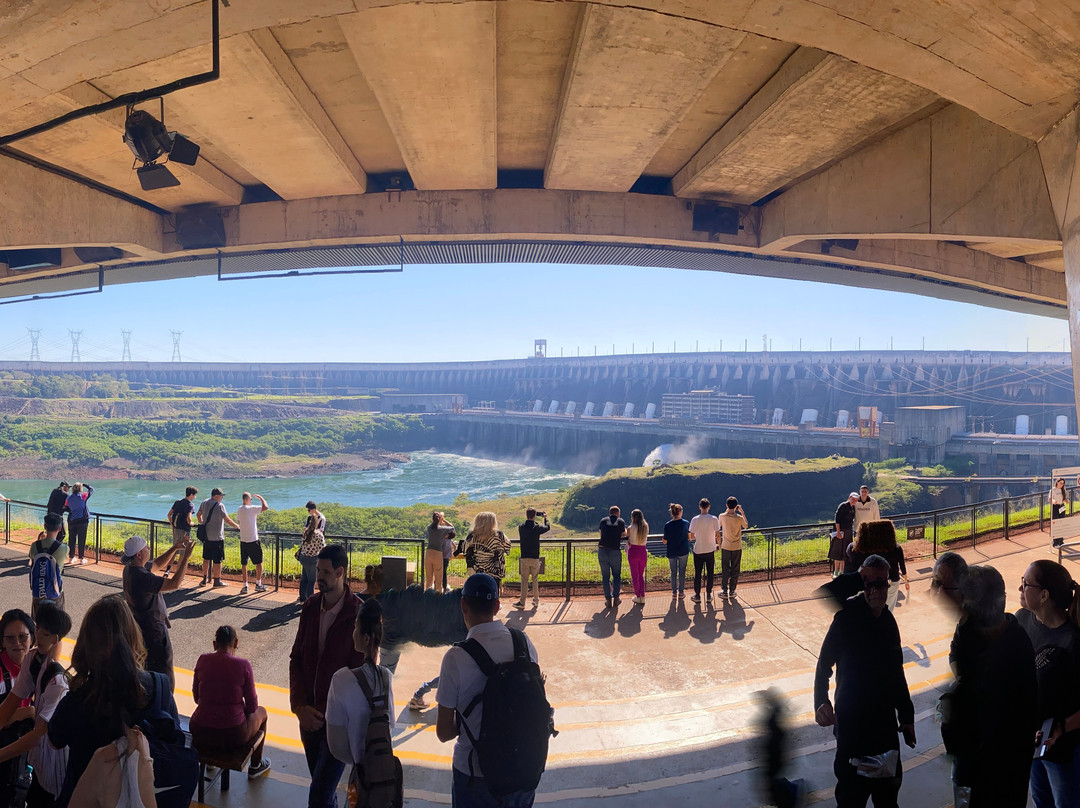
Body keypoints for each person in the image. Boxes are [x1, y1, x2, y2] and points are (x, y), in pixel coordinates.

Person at [48, 595, 181, 808]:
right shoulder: (160, 688)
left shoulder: (77, 699)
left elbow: (54, 741)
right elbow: (176, 742)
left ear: (87, 645)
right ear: (132, 637)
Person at [814, 554, 916, 808]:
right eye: (867, 583)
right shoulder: (846, 618)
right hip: (852, 729)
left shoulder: (889, 623)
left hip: (883, 729)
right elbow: (824, 663)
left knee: (887, 799)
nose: (874, 590)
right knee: (850, 799)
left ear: (888, 586)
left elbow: (897, 673)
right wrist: (821, 701)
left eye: (880, 584)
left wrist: (907, 717)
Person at [436, 573, 542, 808]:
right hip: (522, 769)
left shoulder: (455, 658)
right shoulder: (524, 644)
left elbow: (443, 732)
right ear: (496, 605)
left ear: (463, 605)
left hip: (475, 774)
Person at [940, 565, 1035, 808]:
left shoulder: (1010, 650)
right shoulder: (1003, 631)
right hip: (992, 766)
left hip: (991, 771)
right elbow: (955, 654)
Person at [289, 544, 365, 808]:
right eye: (318, 570)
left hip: (337, 724)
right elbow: (296, 658)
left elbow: (359, 676)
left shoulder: (358, 615)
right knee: (321, 787)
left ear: (340, 572)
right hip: (308, 721)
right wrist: (299, 707)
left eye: (324, 571)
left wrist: (319, 713)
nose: (318, 576)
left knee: (319, 794)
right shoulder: (310, 607)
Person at [1016, 559, 1080, 808]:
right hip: (1031, 745)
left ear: (1044, 595)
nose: (1020, 589)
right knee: (1041, 801)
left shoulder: (1072, 643)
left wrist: (1060, 730)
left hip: (1063, 751)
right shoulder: (1022, 620)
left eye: (1026, 584)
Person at [0, 602, 72, 808]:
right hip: (37, 762)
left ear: (55, 639)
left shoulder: (58, 683)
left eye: (45, 633)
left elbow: (39, 735)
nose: (38, 636)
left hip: (55, 766)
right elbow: (10, 703)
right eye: (38, 628)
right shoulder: (32, 659)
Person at [190, 625, 271, 780]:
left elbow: (196, 698)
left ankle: (210, 763)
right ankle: (256, 765)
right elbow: (253, 706)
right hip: (233, 734)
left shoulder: (203, 660)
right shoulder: (243, 665)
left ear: (214, 644)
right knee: (263, 713)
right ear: (235, 643)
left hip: (200, 731)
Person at [326, 599, 396, 768]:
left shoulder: (341, 680)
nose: (353, 632)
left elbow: (336, 747)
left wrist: (358, 759)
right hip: (384, 774)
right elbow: (391, 724)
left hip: (362, 773)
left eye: (356, 627)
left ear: (365, 638)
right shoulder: (386, 677)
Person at [121, 532, 194, 688]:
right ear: (139, 554)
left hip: (140, 627)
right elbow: (175, 583)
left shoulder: (130, 569)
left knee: (147, 668)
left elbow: (157, 564)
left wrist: (175, 548)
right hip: (153, 631)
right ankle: (165, 700)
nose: (149, 548)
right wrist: (185, 557)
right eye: (146, 547)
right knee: (163, 669)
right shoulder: (143, 577)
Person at [0, 610, 35, 800]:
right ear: (2, 642)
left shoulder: (38, 666)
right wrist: (27, 712)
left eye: (23, 637)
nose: (18, 644)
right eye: (10, 638)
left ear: (32, 637)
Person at [844, 520, 909, 611]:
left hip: (862, 584)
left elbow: (848, 568)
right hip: (890, 583)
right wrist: (906, 581)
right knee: (888, 611)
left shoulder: (853, 549)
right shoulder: (896, 548)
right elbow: (902, 567)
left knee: (863, 613)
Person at [197, 487, 240, 588]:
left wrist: (202, 523)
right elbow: (227, 519)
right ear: (216, 496)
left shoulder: (204, 502)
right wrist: (237, 526)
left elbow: (199, 514)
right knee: (217, 560)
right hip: (217, 538)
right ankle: (217, 581)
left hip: (206, 537)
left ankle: (204, 579)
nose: (222, 498)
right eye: (221, 496)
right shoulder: (220, 506)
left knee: (206, 559)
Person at [29, 513, 68, 618]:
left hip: (38, 590)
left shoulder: (34, 546)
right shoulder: (64, 548)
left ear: (45, 526)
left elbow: (32, 559)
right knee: (56, 622)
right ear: (60, 528)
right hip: (55, 591)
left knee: (37, 623)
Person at [464, 512, 512, 589]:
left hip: (477, 571)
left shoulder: (472, 536)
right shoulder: (499, 535)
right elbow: (508, 546)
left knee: (477, 593)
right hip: (495, 571)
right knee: (493, 594)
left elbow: (464, 549)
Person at [515, 508, 549, 610]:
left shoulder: (521, 527)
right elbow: (547, 527)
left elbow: (528, 522)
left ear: (526, 515)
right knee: (535, 579)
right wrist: (545, 518)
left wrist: (534, 515)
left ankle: (522, 602)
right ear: (534, 516)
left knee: (524, 580)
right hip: (535, 557)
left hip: (524, 557)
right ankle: (536, 600)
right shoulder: (537, 528)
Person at [237, 492, 270, 594]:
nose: (251, 501)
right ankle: (258, 584)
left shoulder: (239, 509)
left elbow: (239, 521)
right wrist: (261, 497)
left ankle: (245, 585)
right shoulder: (251, 509)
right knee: (259, 563)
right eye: (251, 499)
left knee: (244, 563)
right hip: (253, 540)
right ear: (248, 499)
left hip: (243, 540)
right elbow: (265, 507)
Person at [688, 498, 720, 604]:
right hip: (710, 549)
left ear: (700, 507)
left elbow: (691, 536)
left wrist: (697, 536)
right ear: (709, 507)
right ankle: (709, 595)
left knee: (698, 573)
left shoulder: (695, 519)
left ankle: (697, 595)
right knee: (710, 573)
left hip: (698, 550)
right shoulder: (714, 519)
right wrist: (719, 545)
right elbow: (718, 534)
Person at [718, 496, 748, 600]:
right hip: (737, 547)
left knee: (725, 568)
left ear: (726, 505)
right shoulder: (739, 518)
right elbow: (746, 525)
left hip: (726, 546)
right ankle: (732, 590)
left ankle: (724, 591)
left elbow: (719, 526)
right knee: (735, 569)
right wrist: (742, 512)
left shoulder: (722, 516)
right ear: (736, 506)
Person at [597, 505, 627, 610]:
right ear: (617, 513)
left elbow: (601, 534)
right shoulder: (620, 521)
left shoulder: (603, 520)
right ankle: (616, 599)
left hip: (602, 550)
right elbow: (623, 534)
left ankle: (608, 600)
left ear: (610, 513)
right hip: (615, 551)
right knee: (616, 575)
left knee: (605, 576)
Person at [165, 485, 198, 576]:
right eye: (194, 495)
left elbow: (169, 515)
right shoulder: (190, 505)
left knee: (174, 551)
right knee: (182, 553)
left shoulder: (177, 502)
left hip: (176, 530)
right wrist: (192, 523)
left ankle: (167, 570)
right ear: (191, 495)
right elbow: (189, 518)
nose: (195, 497)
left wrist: (173, 526)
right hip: (185, 532)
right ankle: (179, 574)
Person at [298, 501, 327, 602]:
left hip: (303, 556)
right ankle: (310, 600)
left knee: (304, 578)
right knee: (311, 580)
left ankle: (302, 598)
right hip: (313, 558)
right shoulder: (319, 535)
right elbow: (322, 546)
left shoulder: (305, 531)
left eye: (309, 510)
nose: (308, 512)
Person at [663, 503, 690, 599]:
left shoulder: (667, 525)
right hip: (683, 550)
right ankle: (681, 592)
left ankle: (674, 593)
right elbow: (690, 537)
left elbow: (664, 541)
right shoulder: (685, 523)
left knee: (673, 572)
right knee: (682, 572)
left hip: (671, 551)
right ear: (679, 512)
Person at [426, 512, 456, 593]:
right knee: (438, 577)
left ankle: (427, 595)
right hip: (438, 553)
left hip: (428, 552)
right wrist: (444, 520)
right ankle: (437, 596)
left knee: (428, 577)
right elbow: (452, 528)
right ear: (440, 519)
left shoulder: (429, 527)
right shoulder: (442, 529)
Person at [65, 482, 93, 565]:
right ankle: (81, 559)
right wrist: (85, 484)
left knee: (72, 539)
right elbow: (91, 489)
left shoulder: (69, 498)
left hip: (72, 521)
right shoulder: (83, 496)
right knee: (81, 539)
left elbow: (66, 507)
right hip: (82, 521)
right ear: (80, 489)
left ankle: (71, 557)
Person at [626, 509, 649, 605]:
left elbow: (628, 537)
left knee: (635, 575)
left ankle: (637, 595)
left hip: (633, 551)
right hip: (643, 551)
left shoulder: (630, 527)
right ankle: (642, 596)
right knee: (641, 575)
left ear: (633, 517)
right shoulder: (645, 526)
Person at [832, 493, 858, 577]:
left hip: (848, 531)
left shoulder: (853, 507)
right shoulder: (843, 506)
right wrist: (838, 532)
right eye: (853, 499)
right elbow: (837, 519)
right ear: (849, 498)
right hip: (841, 531)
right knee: (838, 551)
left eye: (856, 500)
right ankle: (836, 571)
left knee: (845, 552)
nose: (854, 501)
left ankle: (842, 571)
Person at [1050, 477, 1067, 548]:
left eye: (1063, 483)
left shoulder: (1063, 490)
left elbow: (1064, 498)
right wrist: (1053, 501)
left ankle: (1061, 541)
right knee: (1056, 524)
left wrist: (1066, 500)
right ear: (1057, 482)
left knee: (1061, 523)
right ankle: (1055, 542)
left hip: (1062, 507)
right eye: (1060, 483)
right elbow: (1050, 499)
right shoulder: (1053, 490)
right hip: (1055, 507)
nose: (1062, 485)